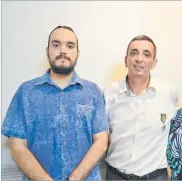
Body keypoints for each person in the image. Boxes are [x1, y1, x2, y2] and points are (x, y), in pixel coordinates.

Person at [1, 26, 109, 181]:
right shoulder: (25, 92)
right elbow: (17, 146)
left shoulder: (92, 92)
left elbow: (101, 141)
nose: (63, 51)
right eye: (56, 45)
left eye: (70, 46)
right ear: (47, 51)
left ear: (77, 53)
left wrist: (74, 178)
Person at [104, 35, 178, 180]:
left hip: (156, 177)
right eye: (134, 53)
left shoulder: (168, 92)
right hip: (116, 176)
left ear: (154, 63)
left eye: (146, 54)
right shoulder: (109, 93)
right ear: (126, 60)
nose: (139, 59)